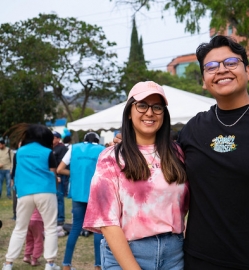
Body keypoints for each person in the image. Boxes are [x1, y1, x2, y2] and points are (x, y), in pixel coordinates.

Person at [114, 36, 249, 270]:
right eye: (211, 67)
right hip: (200, 261)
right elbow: (158, 159)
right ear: (204, 80)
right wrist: (129, 141)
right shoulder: (193, 129)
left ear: (248, 71)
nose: (221, 70)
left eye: (231, 62)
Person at [83, 81, 189, 270]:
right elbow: (107, 222)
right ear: (129, 112)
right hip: (127, 254)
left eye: (157, 107)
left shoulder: (178, 154)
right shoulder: (111, 157)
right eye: (142, 105)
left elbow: (187, 207)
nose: (149, 112)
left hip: (174, 255)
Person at [2, 123, 60, 270]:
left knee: (20, 228)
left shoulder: (19, 152)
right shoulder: (48, 152)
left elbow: (13, 175)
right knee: (50, 228)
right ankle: (50, 263)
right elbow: (53, 173)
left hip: (24, 193)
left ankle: (8, 263)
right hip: (46, 191)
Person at [57, 132, 105, 270]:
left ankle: (66, 264)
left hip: (77, 193)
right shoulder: (102, 150)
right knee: (97, 229)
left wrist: (76, 174)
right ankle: (98, 265)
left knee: (75, 228)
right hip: (95, 194)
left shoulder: (73, 148)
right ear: (97, 140)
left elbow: (60, 169)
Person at [52, 131, 68, 226]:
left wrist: (58, 175)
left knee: (59, 197)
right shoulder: (50, 147)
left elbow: (61, 164)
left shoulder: (62, 148)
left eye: (53, 137)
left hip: (59, 176)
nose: (52, 139)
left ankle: (60, 218)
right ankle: (55, 217)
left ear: (58, 139)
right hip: (51, 176)